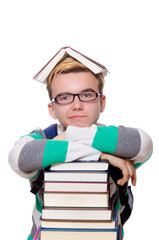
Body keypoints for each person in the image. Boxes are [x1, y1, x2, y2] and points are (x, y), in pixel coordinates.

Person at [8, 49, 153, 240]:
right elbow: (18, 158)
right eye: (65, 97)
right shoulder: (43, 137)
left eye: (86, 95)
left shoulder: (117, 139)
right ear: (52, 109)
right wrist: (102, 155)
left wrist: (69, 137)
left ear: (101, 102)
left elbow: (144, 144)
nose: (77, 105)